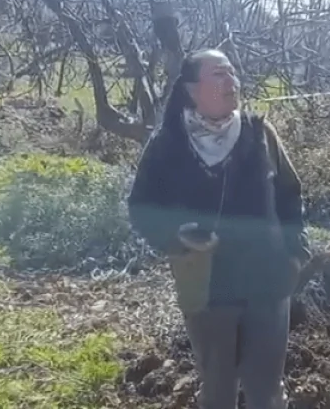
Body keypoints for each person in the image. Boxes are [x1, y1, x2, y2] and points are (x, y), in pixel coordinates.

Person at [127, 49, 311, 409]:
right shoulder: (168, 143)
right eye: (219, 74)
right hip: (206, 288)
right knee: (218, 392)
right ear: (192, 89)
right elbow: (142, 208)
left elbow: (291, 195)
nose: (232, 82)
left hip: (267, 285)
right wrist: (176, 237)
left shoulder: (260, 134)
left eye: (232, 72)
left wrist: (295, 253)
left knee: (265, 392)